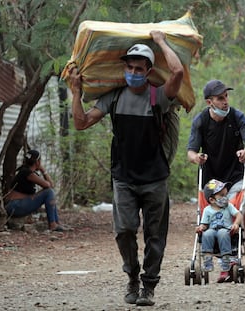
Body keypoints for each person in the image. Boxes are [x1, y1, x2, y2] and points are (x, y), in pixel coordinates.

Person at [69, 31, 184, 306]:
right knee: (124, 230)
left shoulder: (159, 97)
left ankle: (149, 285)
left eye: (138, 68)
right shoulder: (115, 98)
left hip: (155, 177)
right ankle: (132, 276)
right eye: (129, 67)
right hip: (123, 177)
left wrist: (161, 42)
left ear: (148, 71)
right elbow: (81, 122)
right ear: (124, 69)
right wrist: (76, 92)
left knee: (156, 236)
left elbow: (178, 72)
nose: (133, 72)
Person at [187, 79, 245, 199]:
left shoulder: (237, 117)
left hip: (235, 176)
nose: (225, 101)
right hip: (210, 182)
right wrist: (197, 158)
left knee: (239, 207)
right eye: (220, 98)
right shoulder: (201, 121)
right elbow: (191, 152)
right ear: (209, 102)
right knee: (213, 212)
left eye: (226, 96)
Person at [5, 150, 64, 232]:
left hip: (16, 205)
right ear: (37, 162)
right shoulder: (27, 173)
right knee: (49, 192)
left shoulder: (26, 171)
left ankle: (56, 222)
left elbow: (50, 185)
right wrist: (44, 171)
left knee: (49, 191)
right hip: (15, 206)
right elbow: (48, 185)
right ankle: (53, 224)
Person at [196, 179, 242, 283]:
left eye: (226, 195)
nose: (225, 198)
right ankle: (207, 258)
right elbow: (205, 224)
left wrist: (236, 223)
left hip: (226, 230)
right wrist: (201, 227)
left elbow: (239, 214)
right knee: (206, 234)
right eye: (222, 195)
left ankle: (225, 259)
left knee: (222, 233)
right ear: (212, 200)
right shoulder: (207, 210)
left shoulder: (228, 206)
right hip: (212, 230)